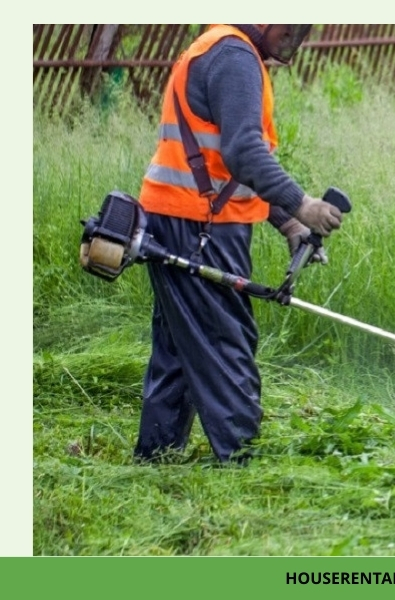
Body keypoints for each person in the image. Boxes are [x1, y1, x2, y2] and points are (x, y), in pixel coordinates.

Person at [133, 24, 344, 464]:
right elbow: (243, 151)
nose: (296, 37)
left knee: (178, 346)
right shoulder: (234, 57)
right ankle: (242, 461)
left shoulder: (225, 47)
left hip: (182, 216)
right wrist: (301, 204)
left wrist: (288, 225)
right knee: (225, 340)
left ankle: (156, 458)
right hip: (200, 225)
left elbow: (229, 169)